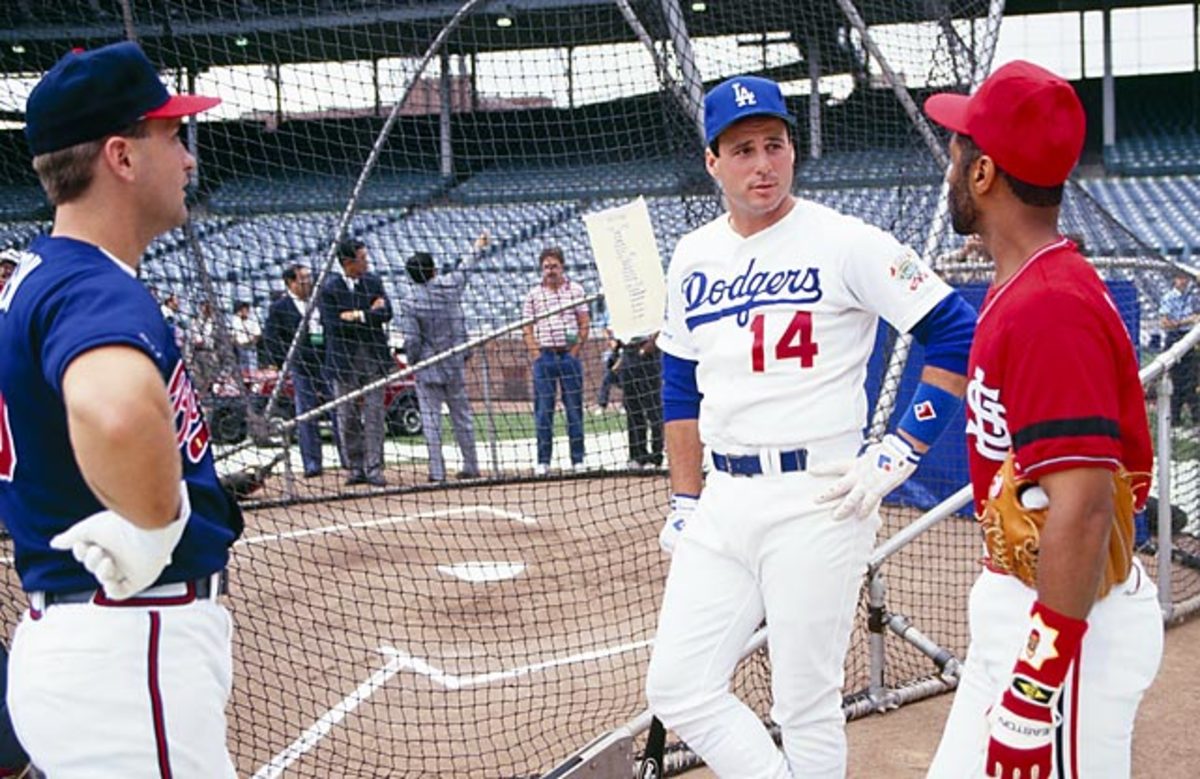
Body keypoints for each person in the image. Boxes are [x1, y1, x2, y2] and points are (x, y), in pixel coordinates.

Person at [642, 74, 976, 778]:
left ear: (793, 150)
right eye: (741, 150)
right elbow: (679, 385)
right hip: (725, 499)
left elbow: (955, 333)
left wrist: (900, 450)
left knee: (805, 704)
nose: (761, 164)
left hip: (818, 493)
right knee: (679, 685)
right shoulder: (692, 255)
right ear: (713, 161)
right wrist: (684, 497)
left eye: (774, 144)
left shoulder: (845, 240)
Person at [0, 41, 241, 775]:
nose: (189, 157)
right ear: (121, 157)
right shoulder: (90, 287)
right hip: (129, 648)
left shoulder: (38, 275)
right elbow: (117, 413)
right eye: (170, 134)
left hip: (84, 641)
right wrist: (157, 518)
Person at [923, 60, 1163, 778]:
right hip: (1026, 612)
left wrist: (1034, 692)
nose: (951, 159)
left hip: (1067, 633)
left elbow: (1085, 507)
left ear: (986, 174)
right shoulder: (1022, 279)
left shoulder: (1050, 304)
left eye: (960, 147)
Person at [399, 232, 488, 482]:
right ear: (433, 270)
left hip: (428, 367)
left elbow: (412, 339)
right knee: (462, 417)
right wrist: (477, 246)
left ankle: (437, 472)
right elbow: (466, 267)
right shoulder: (450, 285)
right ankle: (471, 466)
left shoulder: (410, 301)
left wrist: (413, 361)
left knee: (431, 421)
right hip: (454, 362)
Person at [319, 237, 394, 487]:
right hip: (344, 362)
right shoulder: (329, 288)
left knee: (374, 415)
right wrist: (368, 313)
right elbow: (334, 324)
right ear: (348, 262)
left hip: (373, 358)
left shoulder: (373, 281)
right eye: (362, 258)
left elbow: (386, 313)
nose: (367, 262)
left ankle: (374, 467)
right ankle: (355, 467)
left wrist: (359, 315)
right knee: (347, 416)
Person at [521, 246, 590, 475]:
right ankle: (543, 461)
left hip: (568, 356)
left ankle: (578, 459)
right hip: (545, 357)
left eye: (554, 266)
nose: (550, 271)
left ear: (562, 266)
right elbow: (527, 328)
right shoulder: (533, 295)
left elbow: (584, 322)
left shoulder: (576, 290)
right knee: (543, 411)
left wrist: (575, 351)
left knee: (574, 410)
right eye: (546, 267)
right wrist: (536, 354)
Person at [264, 264, 328, 478]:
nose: (308, 282)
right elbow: (272, 338)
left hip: (326, 361)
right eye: (303, 279)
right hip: (301, 365)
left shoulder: (319, 300)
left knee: (339, 410)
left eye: (309, 277)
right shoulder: (280, 307)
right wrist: (286, 362)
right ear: (291, 282)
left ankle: (350, 462)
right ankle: (312, 462)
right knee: (306, 414)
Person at [1158, 269, 1200, 423]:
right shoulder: (1169, 298)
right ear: (1175, 280)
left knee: (1192, 380)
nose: (1184, 281)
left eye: (1186, 278)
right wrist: (1186, 321)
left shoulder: (1192, 298)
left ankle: (1196, 418)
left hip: (1190, 339)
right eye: (1181, 278)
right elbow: (1165, 323)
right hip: (1175, 338)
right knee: (1176, 379)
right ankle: (1175, 418)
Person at [618, 333, 663, 468]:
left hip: (649, 355)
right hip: (628, 352)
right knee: (633, 411)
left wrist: (650, 345)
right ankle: (637, 456)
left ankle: (656, 456)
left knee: (654, 411)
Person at [231, 298, 262, 371]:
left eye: (246, 308)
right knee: (242, 367)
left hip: (251, 347)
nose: (245, 310)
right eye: (243, 309)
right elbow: (233, 335)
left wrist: (252, 342)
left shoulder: (253, 319)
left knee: (252, 367)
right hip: (240, 347)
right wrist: (236, 344)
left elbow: (257, 334)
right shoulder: (235, 320)